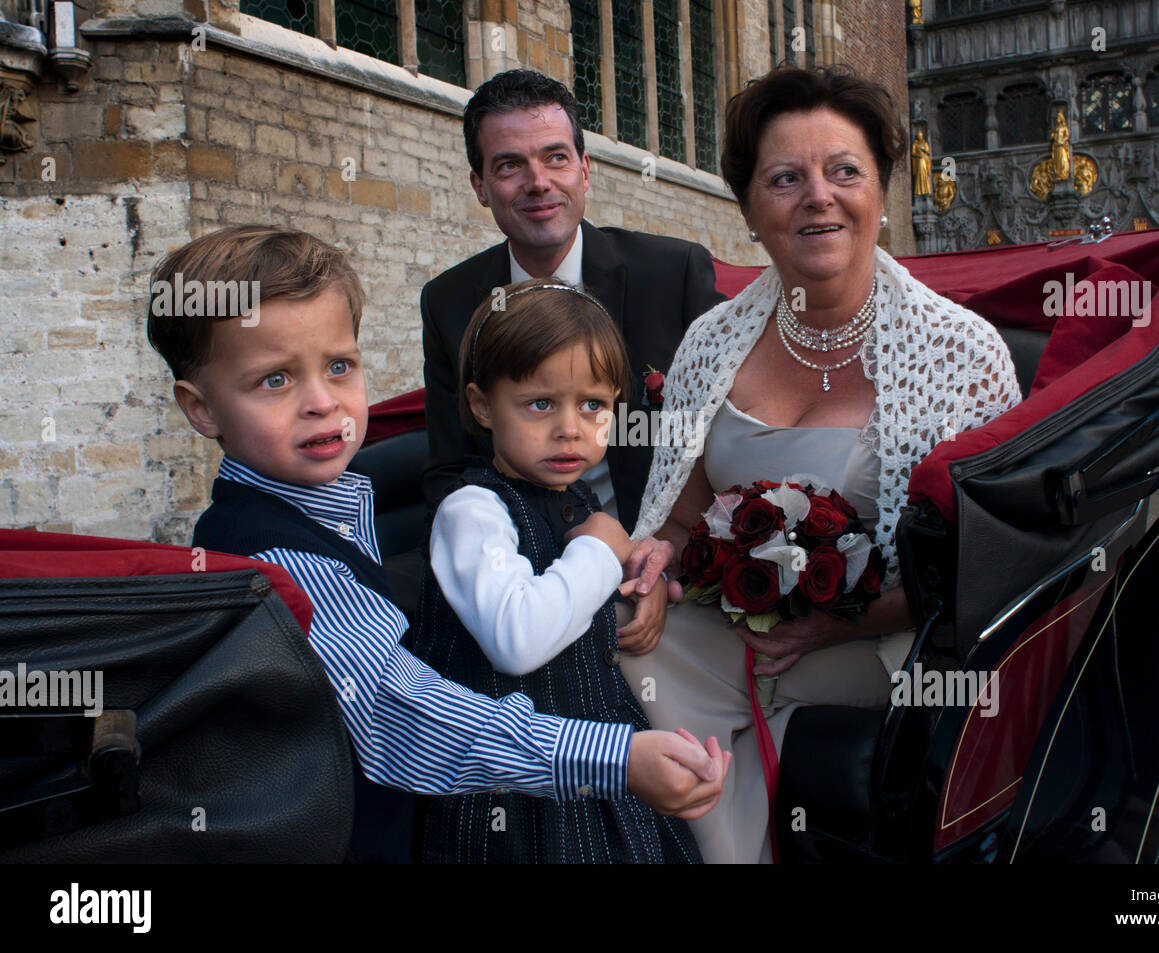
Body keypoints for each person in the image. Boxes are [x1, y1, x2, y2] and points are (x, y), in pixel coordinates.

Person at [147, 225, 728, 862]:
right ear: (200, 409)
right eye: (274, 381)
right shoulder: (276, 557)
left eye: (339, 366)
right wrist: (612, 757)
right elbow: (396, 708)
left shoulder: (337, 502)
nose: (322, 403)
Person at [620, 66, 1022, 863]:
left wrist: (828, 621)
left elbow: (984, 564)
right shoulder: (711, 342)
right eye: (785, 178)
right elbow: (680, 506)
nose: (818, 195)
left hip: (890, 640)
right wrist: (657, 552)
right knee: (618, 648)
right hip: (738, 619)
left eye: (844, 170)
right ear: (749, 209)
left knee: (726, 690)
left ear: (880, 190)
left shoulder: (961, 354)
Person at [408, 278, 719, 862]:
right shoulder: (472, 511)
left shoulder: (578, 500)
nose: (570, 427)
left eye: (593, 405)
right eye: (540, 404)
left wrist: (639, 594)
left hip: (600, 757)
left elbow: (588, 594)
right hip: (515, 789)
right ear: (481, 406)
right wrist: (601, 552)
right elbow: (516, 638)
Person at [420, 69, 726, 536]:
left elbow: (727, 429)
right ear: (480, 187)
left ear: (584, 171)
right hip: (524, 565)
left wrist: (672, 549)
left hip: (663, 550)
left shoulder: (673, 273)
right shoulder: (450, 302)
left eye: (555, 158)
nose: (538, 182)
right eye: (509, 165)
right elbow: (452, 468)